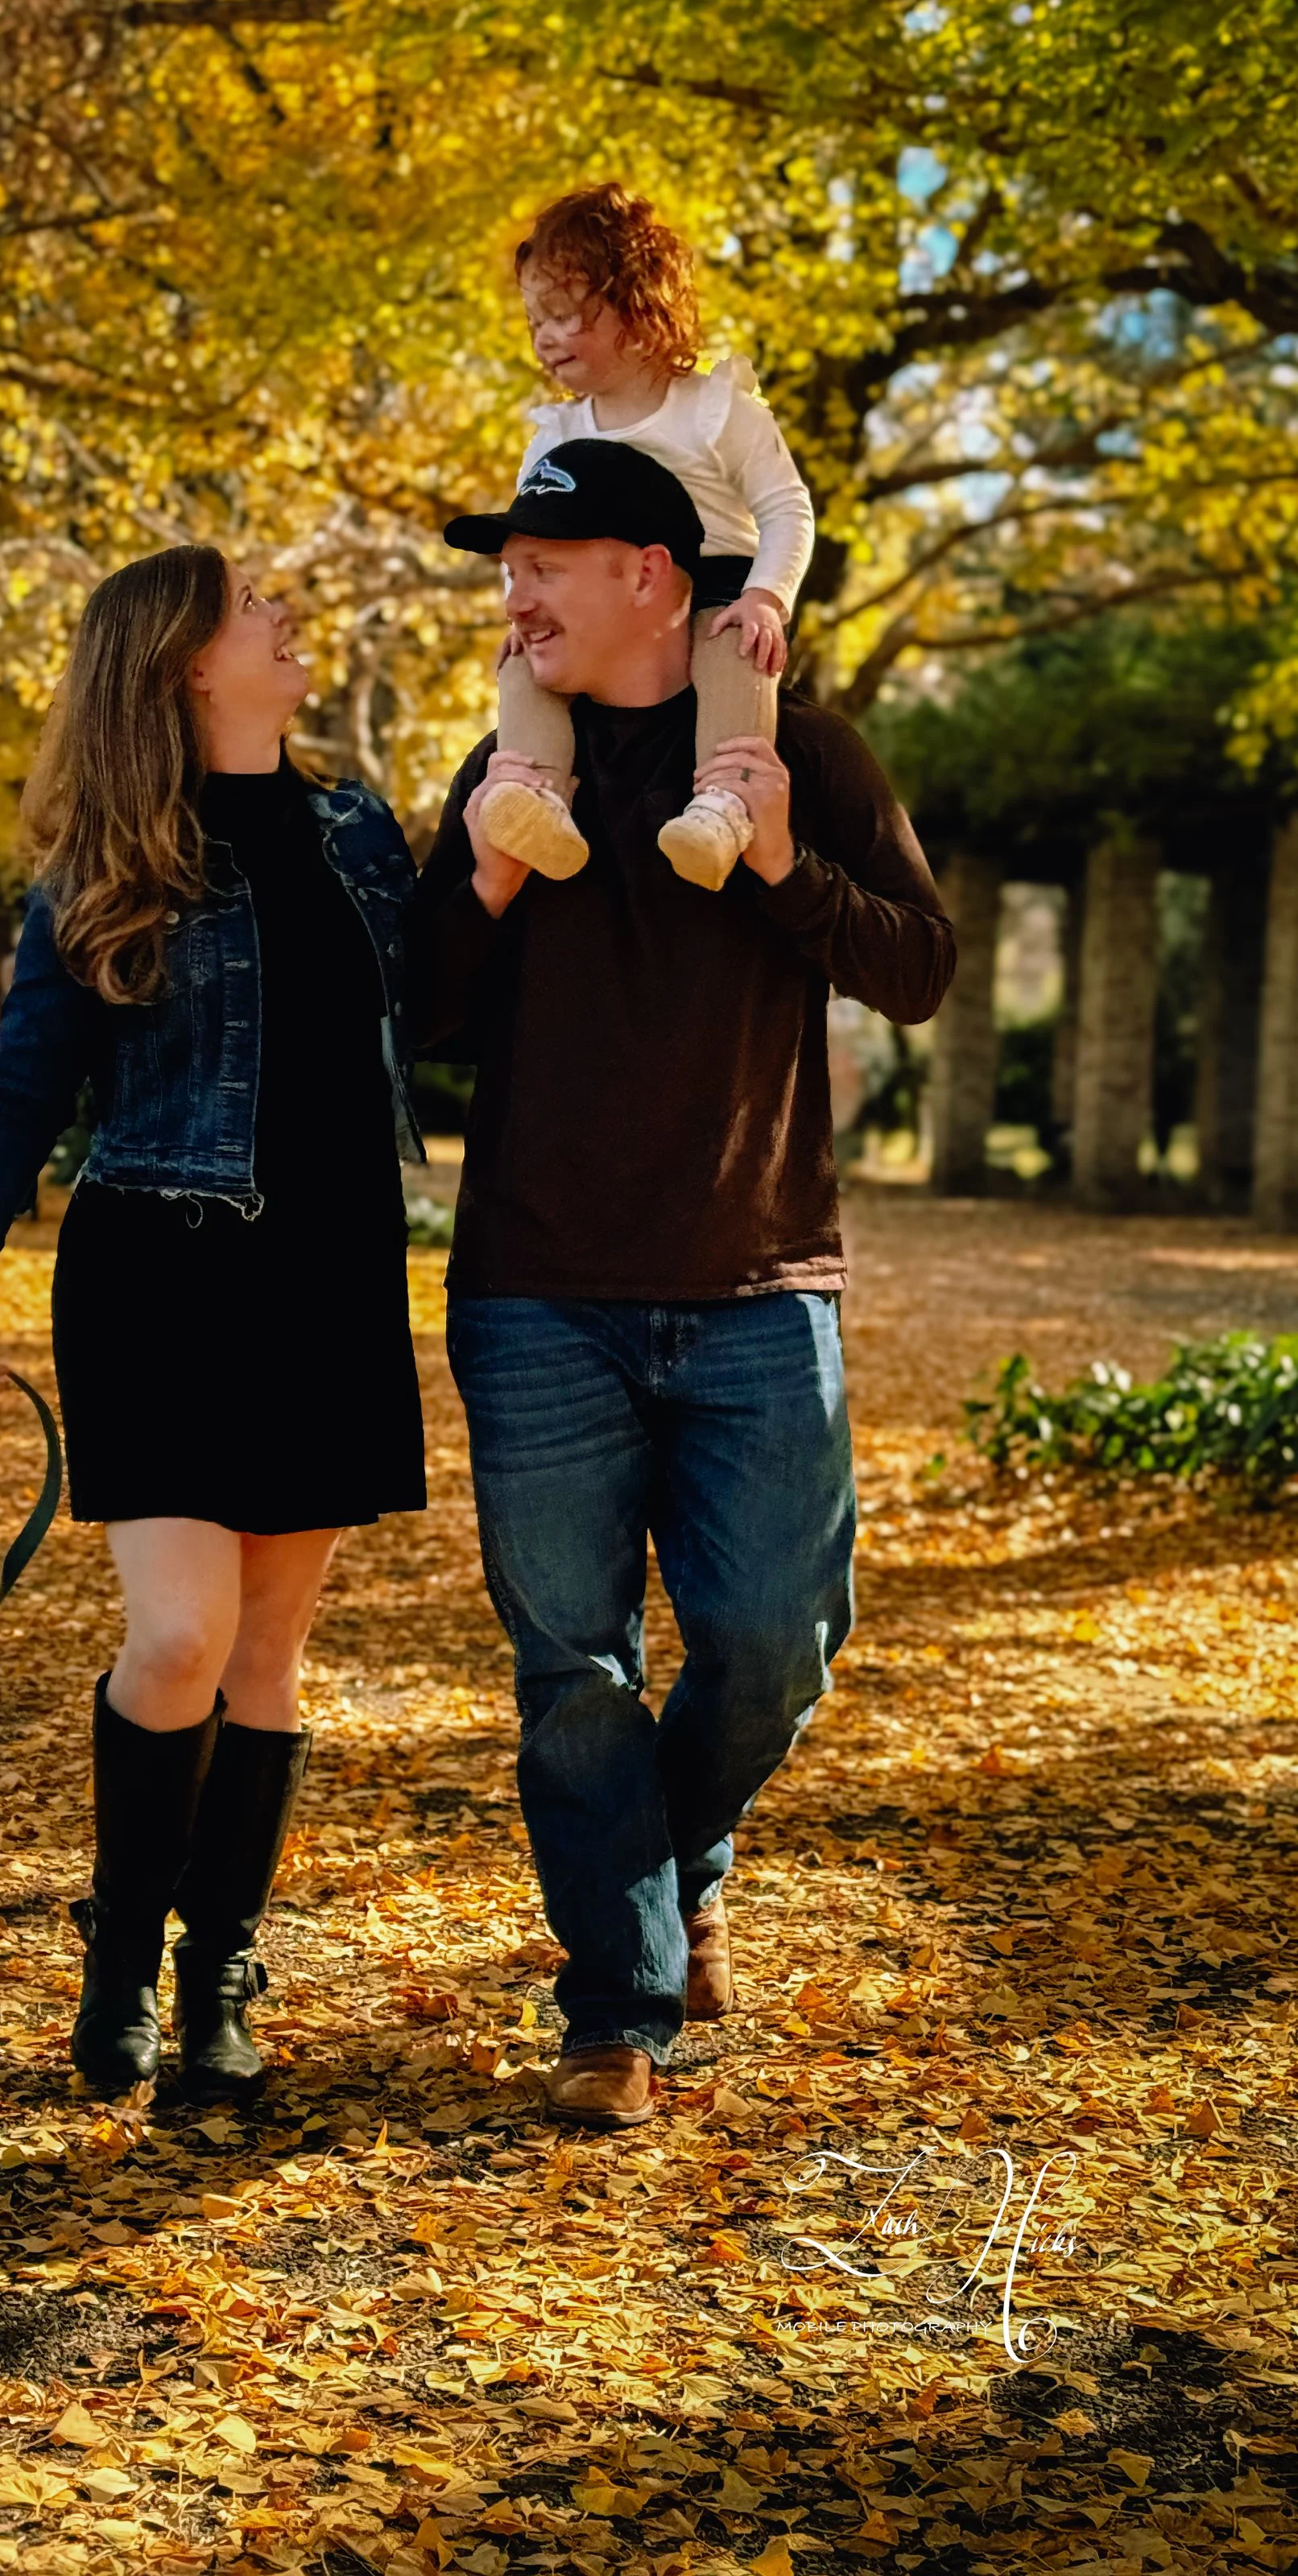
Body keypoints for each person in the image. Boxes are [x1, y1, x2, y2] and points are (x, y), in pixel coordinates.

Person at [411, 435, 954, 2132]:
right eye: (507, 568)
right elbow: (410, 1011)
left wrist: (788, 863)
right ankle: (617, 2005)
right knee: (570, 1664)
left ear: (651, 571)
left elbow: (920, 969)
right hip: (534, 1291)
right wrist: (494, 875)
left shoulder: (795, 748)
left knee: (777, 1639)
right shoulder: (505, 768)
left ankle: (675, 1840)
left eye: (541, 565)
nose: (512, 597)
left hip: (754, 1275)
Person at [0, 543, 427, 2104]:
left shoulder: (355, 833)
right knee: (178, 1636)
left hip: (329, 1276)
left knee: (267, 1650)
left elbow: (453, 998)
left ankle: (220, 1972)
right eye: (253, 605)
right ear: (188, 661)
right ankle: (121, 1949)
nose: (284, 618)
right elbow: (19, 1088)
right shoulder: (101, 863)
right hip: (158, 1272)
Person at [479, 182, 816, 894]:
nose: (543, 335)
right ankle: (536, 798)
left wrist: (767, 598)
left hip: (719, 584)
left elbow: (787, 507)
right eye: (535, 318)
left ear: (636, 312)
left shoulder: (717, 412)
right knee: (519, 670)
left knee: (736, 654)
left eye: (564, 315)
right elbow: (525, 544)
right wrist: (525, 607)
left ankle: (724, 804)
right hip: (603, 614)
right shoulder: (557, 437)